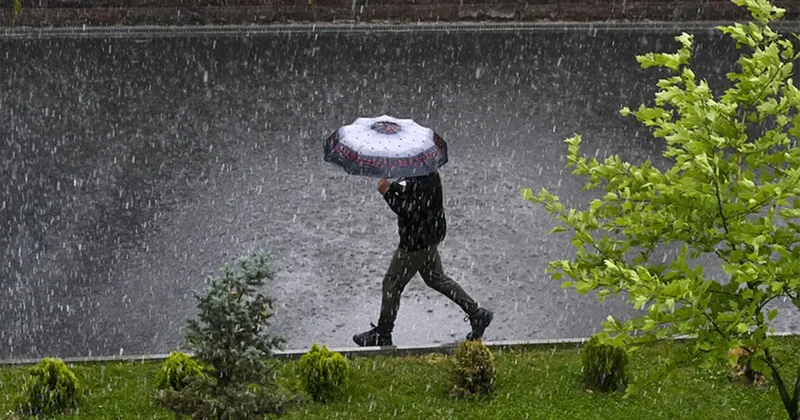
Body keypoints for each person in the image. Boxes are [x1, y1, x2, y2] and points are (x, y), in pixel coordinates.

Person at [353, 171, 493, 347]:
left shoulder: (421, 176)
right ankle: (478, 314)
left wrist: (387, 193)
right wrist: (393, 186)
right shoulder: (422, 170)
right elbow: (409, 192)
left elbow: (410, 211)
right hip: (428, 235)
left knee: (392, 283)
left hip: (416, 241)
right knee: (435, 278)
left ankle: (383, 333)